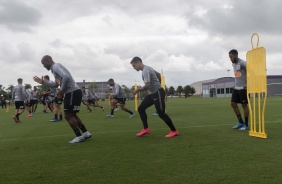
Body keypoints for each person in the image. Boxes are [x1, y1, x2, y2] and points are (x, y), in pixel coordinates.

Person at [33, 55, 91, 144]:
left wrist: (62, 90)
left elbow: (66, 77)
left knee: (68, 115)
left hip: (71, 92)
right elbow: (56, 85)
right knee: (73, 115)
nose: (44, 66)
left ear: (48, 60)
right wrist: (43, 82)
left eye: (44, 64)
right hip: (74, 92)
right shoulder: (54, 69)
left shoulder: (56, 66)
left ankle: (79, 136)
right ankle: (86, 133)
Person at [130, 57, 178, 138]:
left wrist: (138, 90)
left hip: (157, 93)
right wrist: (156, 83)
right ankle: (146, 129)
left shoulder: (146, 70)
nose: (134, 68)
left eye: (134, 66)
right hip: (151, 94)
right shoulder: (148, 68)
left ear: (138, 62)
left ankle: (174, 131)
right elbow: (158, 75)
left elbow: (147, 85)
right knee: (141, 109)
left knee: (161, 113)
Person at [229, 49, 249, 130]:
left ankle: (246, 125)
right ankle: (240, 122)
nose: (230, 59)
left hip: (243, 88)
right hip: (236, 87)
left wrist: (248, 84)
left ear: (236, 55)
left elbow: (251, 72)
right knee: (233, 104)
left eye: (231, 57)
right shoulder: (233, 64)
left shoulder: (243, 63)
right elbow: (238, 75)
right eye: (229, 57)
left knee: (244, 105)